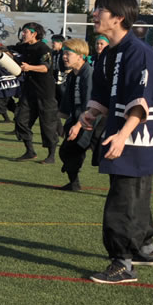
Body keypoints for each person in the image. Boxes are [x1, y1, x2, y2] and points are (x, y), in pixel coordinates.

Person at [70, 0, 153, 284]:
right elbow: (102, 93)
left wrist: (124, 135)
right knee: (134, 195)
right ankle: (144, 248)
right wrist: (91, 113)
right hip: (123, 132)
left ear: (119, 17)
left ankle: (123, 263)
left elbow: (140, 101)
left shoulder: (139, 52)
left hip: (137, 136)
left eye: (100, 9)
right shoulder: (110, 52)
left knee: (122, 201)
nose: (95, 14)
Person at [6, 22, 58, 164]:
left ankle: (51, 155)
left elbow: (45, 68)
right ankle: (30, 151)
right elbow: (5, 48)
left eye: (25, 32)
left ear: (34, 34)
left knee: (47, 125)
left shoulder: (44, 49)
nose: (23, 34)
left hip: (45, 93)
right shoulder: (25, 46)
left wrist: (29, 67)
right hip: (29, 91)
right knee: (20, 120)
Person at [57, 38, 100, 192]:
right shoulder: (73, 75)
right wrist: (62, 122)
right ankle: (74, 183)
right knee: (67, 151)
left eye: (68, 53)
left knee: (103, 158)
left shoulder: (88, 73)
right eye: (63, 53)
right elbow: (67, 103)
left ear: (80, 55)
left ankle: (120, 188)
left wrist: (77, 126)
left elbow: (89, 105)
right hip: (78, 119)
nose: (64, 56)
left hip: (92, 122)